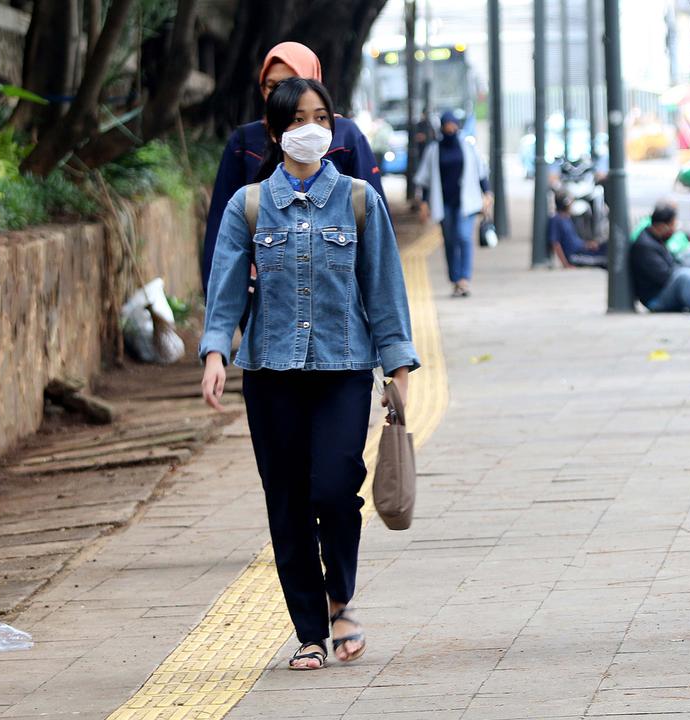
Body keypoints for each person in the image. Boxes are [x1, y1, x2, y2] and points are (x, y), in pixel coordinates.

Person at [199, 78, 419, 672]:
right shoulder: (248, 205)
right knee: (288, 501)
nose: (311, 129)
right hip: (270, 373)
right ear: (274, 132)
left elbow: (385, 289)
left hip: (343, 367)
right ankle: (309, 632)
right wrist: (216, 352)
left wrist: (398, 369)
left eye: (321, 116)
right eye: (297, 119)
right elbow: (224, 292)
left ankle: (340, 598)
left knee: (335, 488)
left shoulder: (356, 200)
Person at [200, 42, 387, 295]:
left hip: (339, 292)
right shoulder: (244, 142)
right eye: (271, 85)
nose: (280, 93)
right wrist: (218, 297)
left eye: (291, 82)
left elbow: (376, 226)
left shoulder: (345, 137)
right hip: (264, 293)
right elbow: (221, 227)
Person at [414, 110, 492, 297]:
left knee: (464, 237)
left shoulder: (468, 146)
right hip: (444, 202)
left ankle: (464, 279)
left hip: (466, 202)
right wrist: (424, 203)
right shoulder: (434, 149)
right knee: (449, 241)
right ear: (442, 126)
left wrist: (487, 193)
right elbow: (426, 179)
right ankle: (455, 279)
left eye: (453, 124)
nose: (450, 127)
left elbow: (480, 171)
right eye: (447, 124)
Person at [630, 202, 690, 314]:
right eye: (673, 225)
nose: (674, 229)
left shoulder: (654, 238)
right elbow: (664, 276)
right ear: (662, 227)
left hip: (662, 290)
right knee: (685, 276)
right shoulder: (645, 246)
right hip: (655, 299)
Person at [549, 191, 606, 268]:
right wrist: (565, 264)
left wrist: (588, 244)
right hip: (575, 255)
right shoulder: (556, 220)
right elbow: (555, 243)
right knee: (605, 259)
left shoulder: (567, 218)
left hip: (583, 249)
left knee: (605, 246)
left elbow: (574, 240)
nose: (571, 205)